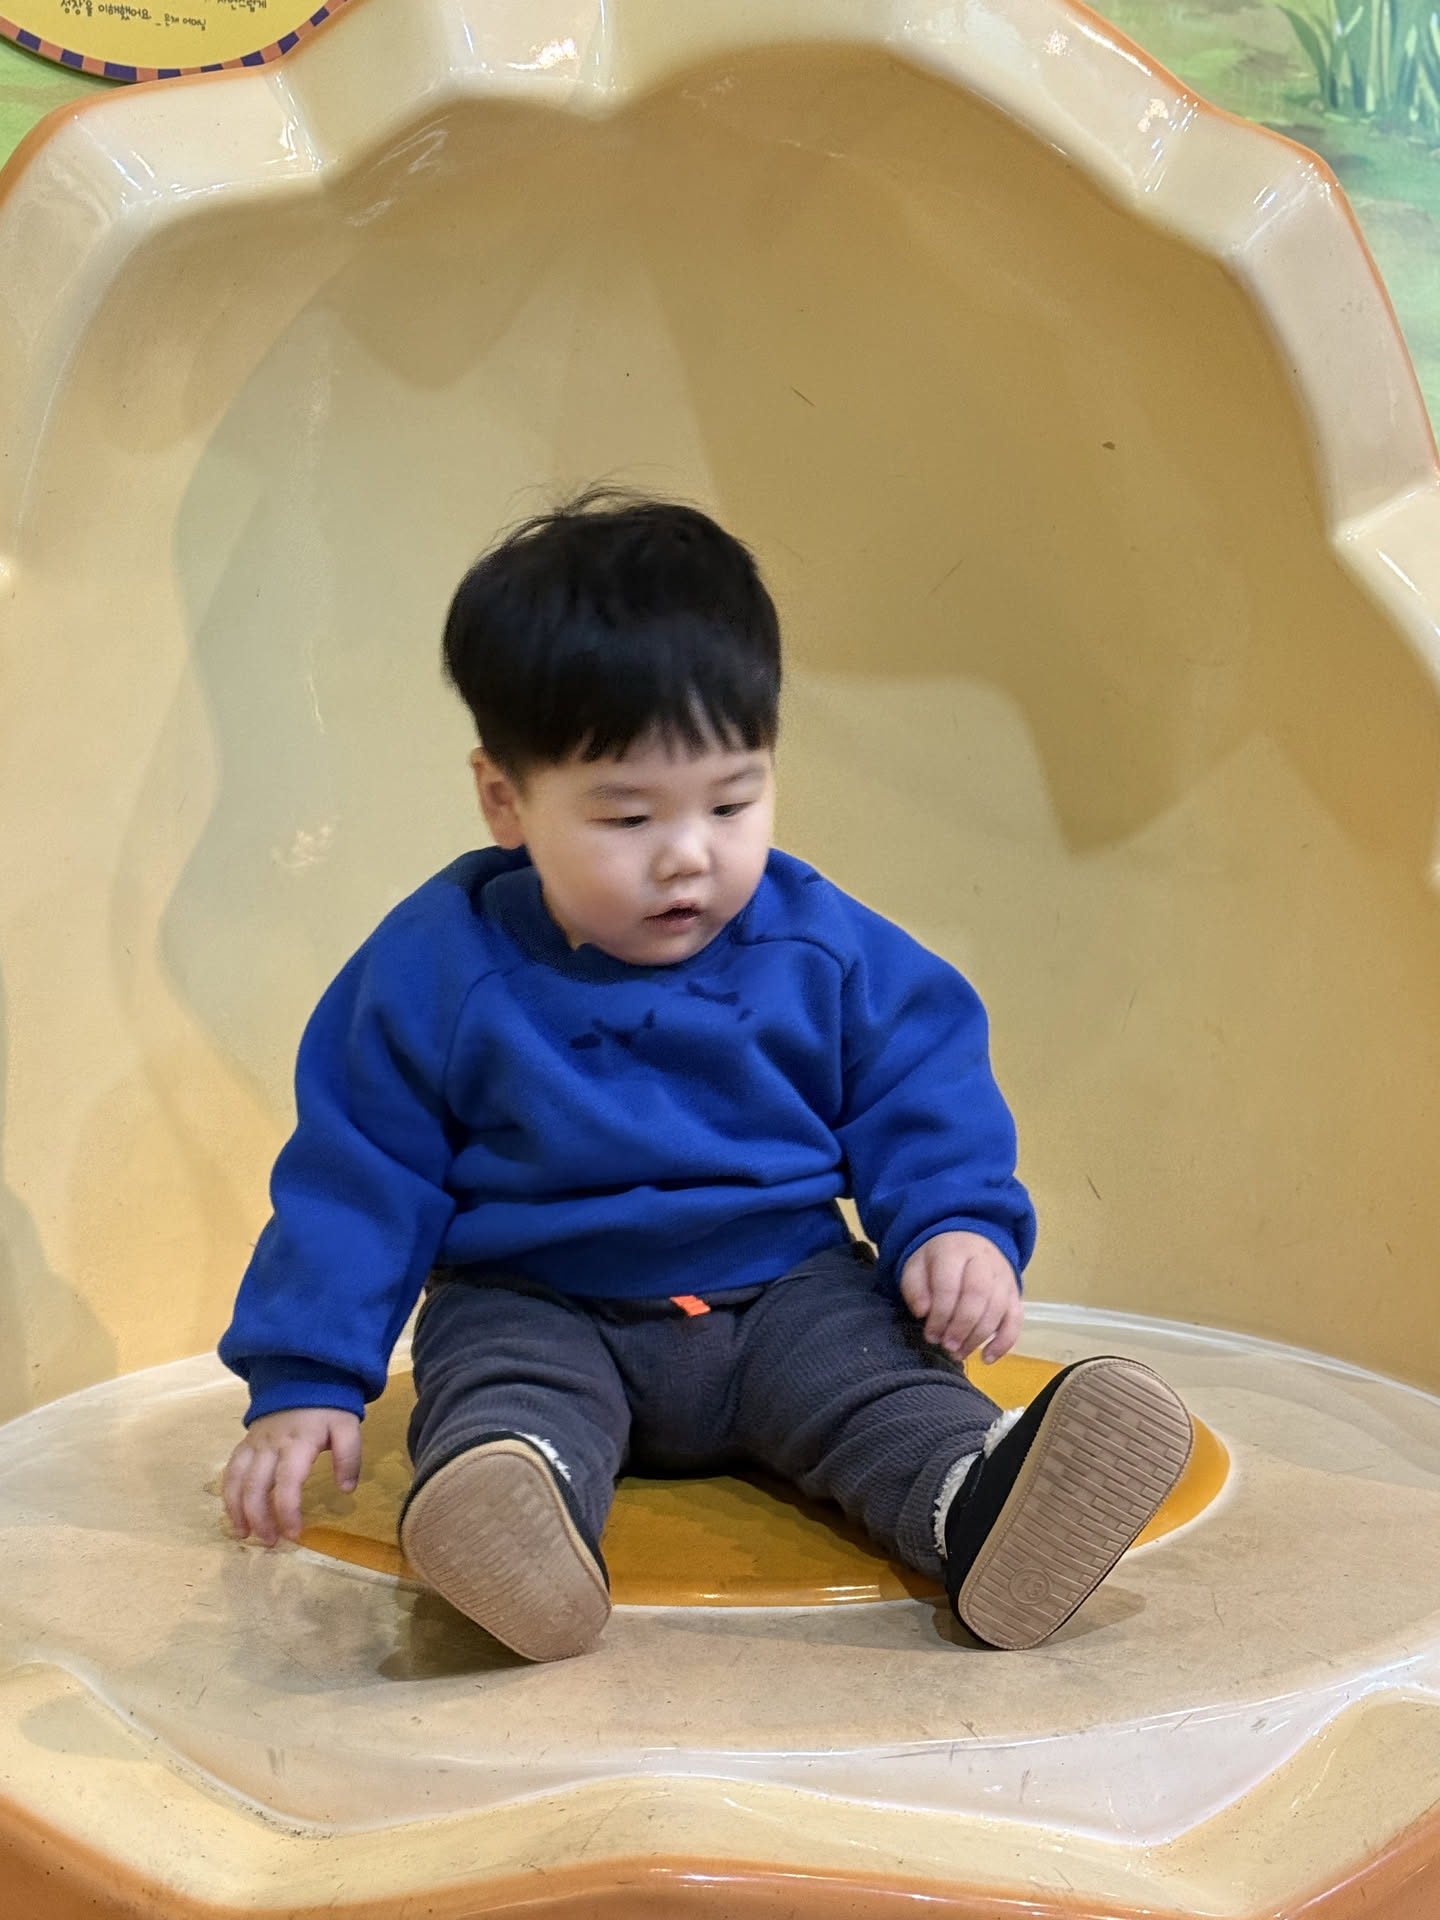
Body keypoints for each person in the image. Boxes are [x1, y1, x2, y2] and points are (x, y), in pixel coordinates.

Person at [219, 492, 1192, 1662]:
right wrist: (306, 1375)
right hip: (540, 1299)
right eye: (628, 816)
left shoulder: (819, 944)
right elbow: (359, 1174)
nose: (690, 855)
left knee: (884, 1390)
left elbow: (917, 1079)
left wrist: (956, 1222)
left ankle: (977, 1507)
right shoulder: (438, 966)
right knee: (505, 1398)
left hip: (786, 1290)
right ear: (504, 800)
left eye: (733, 801)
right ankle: (515, 1522)